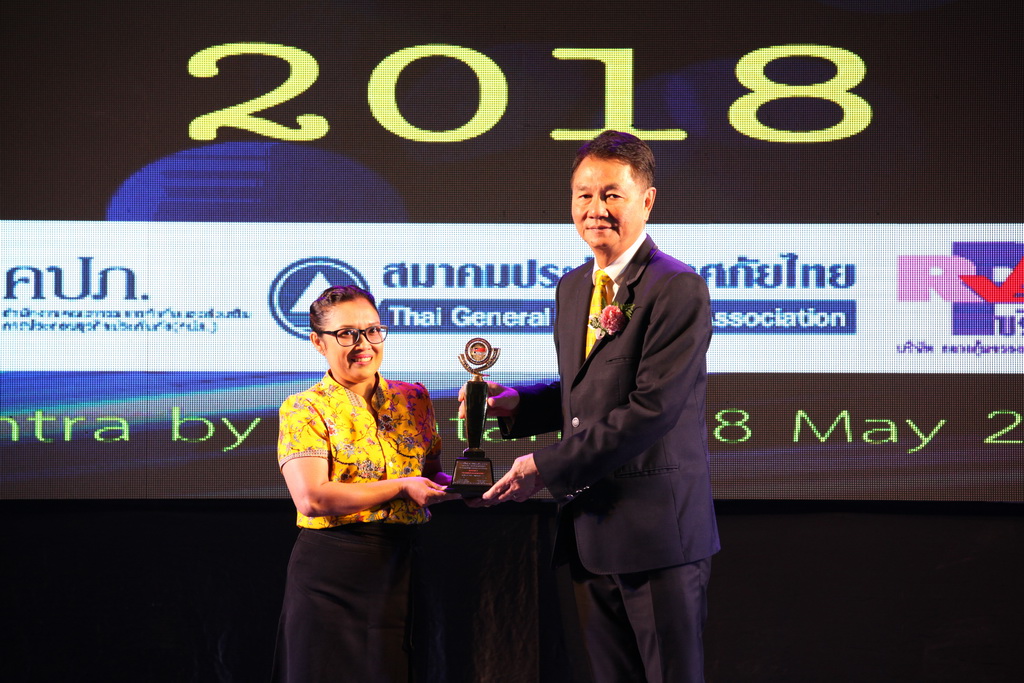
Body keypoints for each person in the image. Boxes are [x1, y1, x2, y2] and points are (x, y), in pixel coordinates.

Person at [463, 130, 720, 682]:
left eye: (611, 195)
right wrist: (516, 405)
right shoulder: (574, 286)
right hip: (591, 530)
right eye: (584, 195)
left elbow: (651, 408)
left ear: (646, 201)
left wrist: (545, 466)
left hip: (657, 536)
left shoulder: (677, 287)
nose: (595, 209)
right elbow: (587, 392)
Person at [272, 285, 457, 683]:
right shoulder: (304, 408)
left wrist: (466, 487)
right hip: (333, 573)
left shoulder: (414, 398)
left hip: (402, 567)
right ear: (318, 343)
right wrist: (402, 487)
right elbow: (312, 498)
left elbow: (430, 473)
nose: (363, 344)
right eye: (346, 334)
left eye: (372, 330)